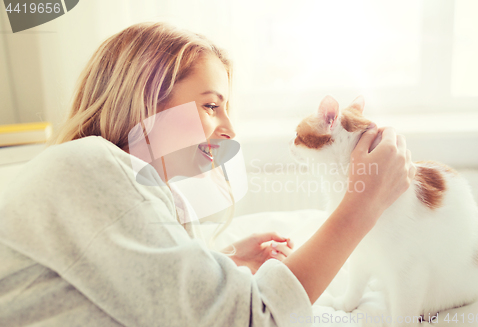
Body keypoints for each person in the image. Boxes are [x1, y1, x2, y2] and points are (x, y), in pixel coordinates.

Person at [0, 22, 415, 326]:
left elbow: (143, 294)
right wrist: (364, 205)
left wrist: (224, 263)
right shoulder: (89, 167)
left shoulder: (134, 192)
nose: (230, 131)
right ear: (145, 99)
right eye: (212, 106)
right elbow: (253, 319)